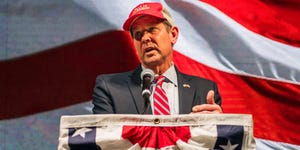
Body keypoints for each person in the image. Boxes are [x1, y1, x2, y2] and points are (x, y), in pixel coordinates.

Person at [92, 2, 222, 115]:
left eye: (152, 29)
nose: (145, 38)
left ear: (173, 35)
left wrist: (219, 127)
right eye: (138, 34)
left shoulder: (205, 90)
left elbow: (217, 141)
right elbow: (103, 140)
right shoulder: (110, 88)